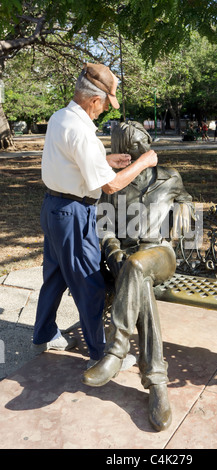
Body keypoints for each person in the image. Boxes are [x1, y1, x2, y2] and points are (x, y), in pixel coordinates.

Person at [31, 64, 158, 369]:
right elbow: (112, 185)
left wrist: (105, 159)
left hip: (53, 207)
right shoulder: (82, 131)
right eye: (105, 106)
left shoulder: (61, 117)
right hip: (74, 214)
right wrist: (143, 162)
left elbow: (71, 157)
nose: (104, 112)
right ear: (93, 101)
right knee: (89, 281)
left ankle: (44, 334)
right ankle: (101, 355)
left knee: (56, 276)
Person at [83, 121, 193, 432]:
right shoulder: (114, 185)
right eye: (130, 151)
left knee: (138, 267)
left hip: (160, 256)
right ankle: (157, 382)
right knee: (136, 274)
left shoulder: (169, 177)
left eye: (142, 147)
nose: (139, 154)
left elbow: (186, 205)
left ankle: (116, 350)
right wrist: (115, 255)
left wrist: (185, 210)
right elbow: (104, 229)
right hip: (127, 260)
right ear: (122, 154)